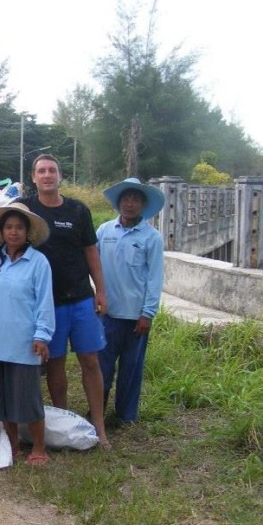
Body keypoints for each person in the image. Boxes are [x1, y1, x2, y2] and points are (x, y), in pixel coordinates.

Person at [20, 154, 111, 449]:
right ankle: (65, 425)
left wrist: (101, 290)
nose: (47, 175)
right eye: (41, 171)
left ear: (60, 176)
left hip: (81, 298)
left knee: (90, 361)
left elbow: (91, 252)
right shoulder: (26, 209)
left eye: (52, 171)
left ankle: (99, 424)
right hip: (49, 303)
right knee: (55, 365)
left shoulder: (78, 210)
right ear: (33, 178)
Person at [0, 202, 55, 466]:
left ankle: (39, 447)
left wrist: (42, 335)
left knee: (28, 398)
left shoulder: (38, 262)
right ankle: (12, 445)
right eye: (8, 227)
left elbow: (45, 302)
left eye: (19, 227)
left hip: (25, 341)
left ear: (27, 232)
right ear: (1, 231)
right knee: (1, 399)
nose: (13, 232)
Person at [96, 178, 165, 423]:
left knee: (131, 368)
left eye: (135, 199)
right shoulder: (104, 231)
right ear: (118, 202)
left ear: (143, 205)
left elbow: (155, 278)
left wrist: (148, 313)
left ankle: (125, 416)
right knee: (102, 367)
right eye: (126, 198)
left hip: (136, 317)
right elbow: (92, 264)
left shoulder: (151, 237)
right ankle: (97, 412)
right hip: (107, 314)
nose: (129, 203)